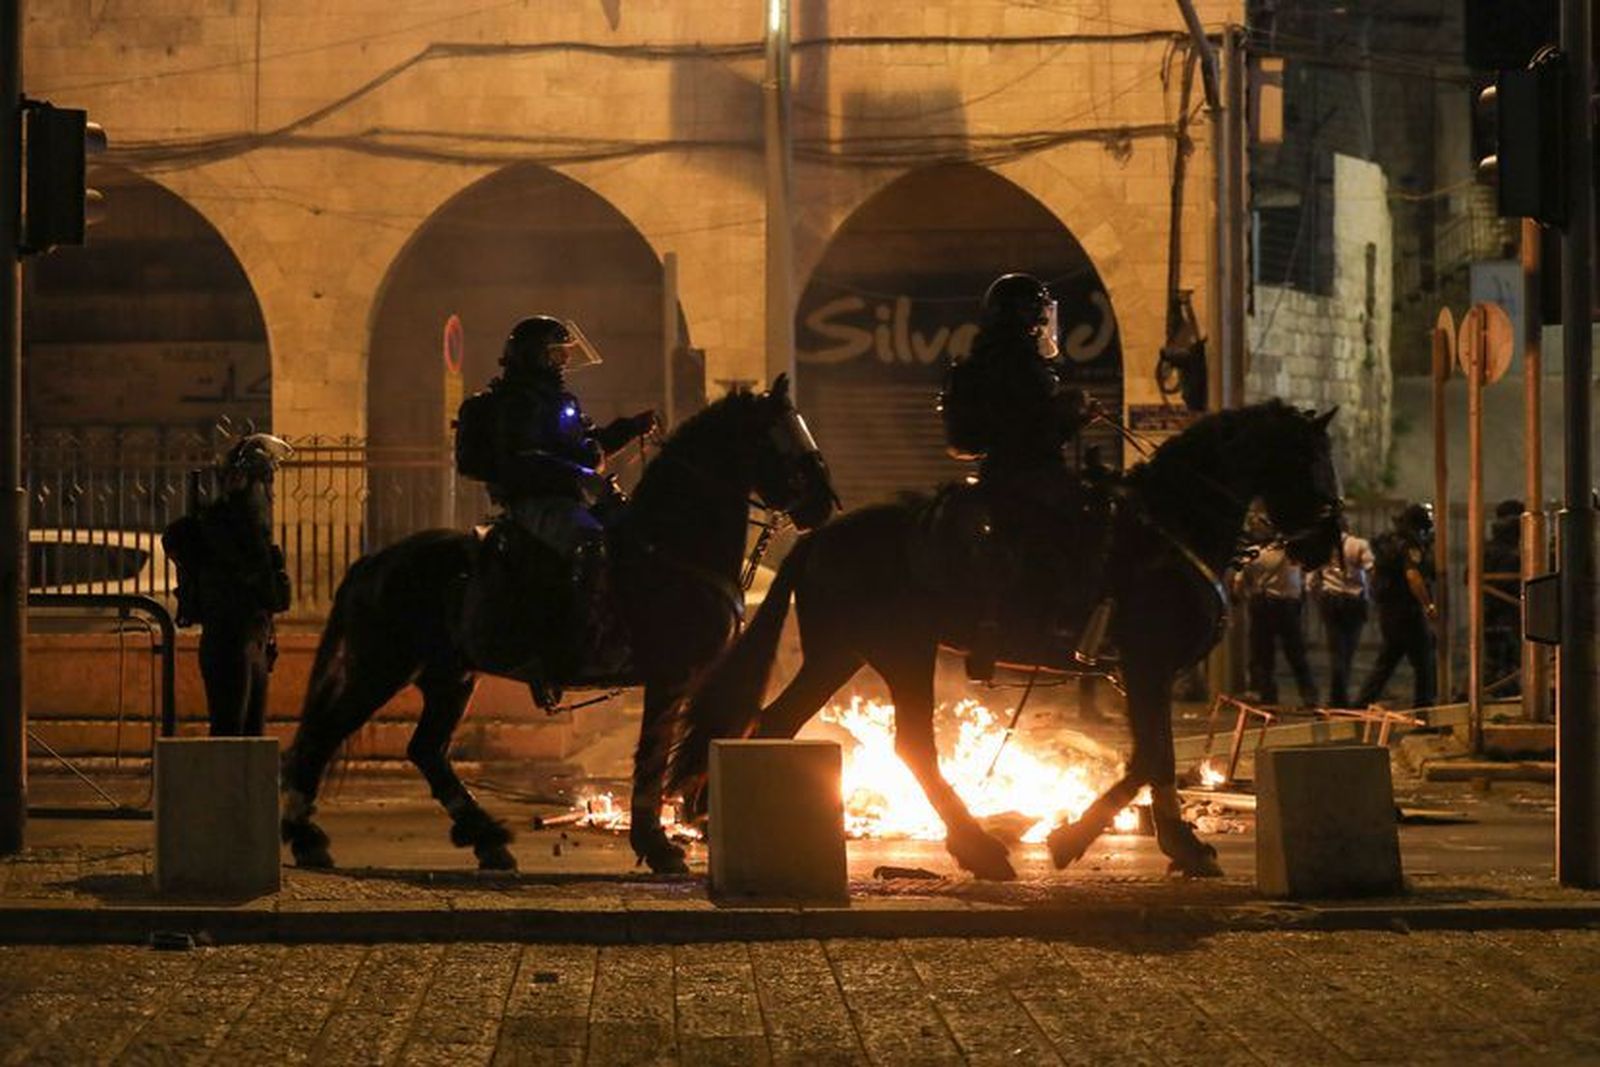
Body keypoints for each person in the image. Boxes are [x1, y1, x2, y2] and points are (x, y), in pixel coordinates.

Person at [454, 315, 657, 674]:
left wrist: (631, 427)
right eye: (556, 355)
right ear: (534, 356)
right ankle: (580, 638)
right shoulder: (512, 404)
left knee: (636, 535)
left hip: (571, 498)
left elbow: (588, 448)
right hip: (534, 502)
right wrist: (584, 477)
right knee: (590, 542)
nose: (565, 362)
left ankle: (627, 632)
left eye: (565, 354)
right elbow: (525, 461)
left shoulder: (560, 400)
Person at [939, 272, 1098, 681]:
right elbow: (1029, 428)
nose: (1043, 320)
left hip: (1010, 470)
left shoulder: (990, 356)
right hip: (1027, 475)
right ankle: (1063, 628)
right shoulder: (1016, 361)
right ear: (1024, 314)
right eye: (1038, 310)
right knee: (1087, 531)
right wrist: (1071, 416)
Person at [162, 434, 293, 736]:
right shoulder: (225, 526)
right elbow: (271, 593)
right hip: (229, 638)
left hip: (254, 637)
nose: (271, 494)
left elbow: (276, 597)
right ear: (242, 481)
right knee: (229, 733)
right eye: (264, 482)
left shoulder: (249, 529)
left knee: (251, 735)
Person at [1357, 502, 1438, 708]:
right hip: (1407, 611)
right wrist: (1428, 605)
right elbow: (1414, 577)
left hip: (1388, 610)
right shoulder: (1409, 546)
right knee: (1423, 662)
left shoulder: (1388, 543)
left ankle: (1361, 702)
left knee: (1388, 660)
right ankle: (1424, 708)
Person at [1234, 515, 1318, 707]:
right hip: (1287, 605)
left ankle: (1268, 696)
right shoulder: (1291, 552)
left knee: (1263, 653)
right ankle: (1308, 695)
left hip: (1260, 604)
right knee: (1295, 652)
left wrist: (1246, 596)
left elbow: (1238, 584)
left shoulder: (1251, 553)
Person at [1308, 518, 1374, 708]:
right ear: (1347, 527)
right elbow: (1371, 570)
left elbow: (1311, 580)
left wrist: (1318, 599)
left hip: (1331, 599)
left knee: (1336, 649)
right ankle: (1340, 695)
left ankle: (1338, 696)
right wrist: (1368, 596)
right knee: (1349, 648)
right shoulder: (1359, 545)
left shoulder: (1323, 549)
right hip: (1353, 600)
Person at [1483, 499, 1524, 695]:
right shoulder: (1513, 554)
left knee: (1498, 660)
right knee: (1509, 660)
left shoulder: (1487, 548)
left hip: (1490, 612)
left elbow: (1469, 576)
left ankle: (1498, 693)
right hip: (1508, 612)